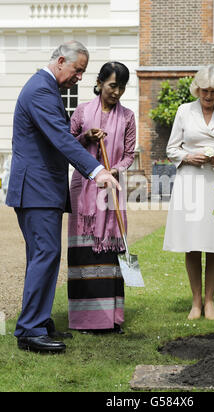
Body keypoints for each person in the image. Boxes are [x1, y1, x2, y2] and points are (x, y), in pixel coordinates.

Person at [6, 42, 121, 354]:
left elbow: (58, 137)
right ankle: (29, 331)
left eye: (83, 72)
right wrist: (96, 171)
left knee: (44, 255)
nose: (80, 77)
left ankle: (39, 322)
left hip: (41, 189)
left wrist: (83, 141)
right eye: (77, 70)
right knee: (45, 255)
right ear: (60, 61)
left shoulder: (44, 88)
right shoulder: (40, 90)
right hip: (36, 189)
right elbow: (59, 138)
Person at [163, 65, 214, 321]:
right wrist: (189, 156)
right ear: (196, 89)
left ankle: (210, 301)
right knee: (192, 243)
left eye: (213, 91)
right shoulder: (184, 111)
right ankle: (195, 302)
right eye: (204, 90)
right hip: (191, 182)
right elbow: (171, 148)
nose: (208, 96)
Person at [67, 62, 136, 334]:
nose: (117, 92)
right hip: (82, 191)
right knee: (84, 252)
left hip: (111, 190)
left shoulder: (128, 117)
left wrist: (114, 170)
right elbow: (67, 143)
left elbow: (129, 154)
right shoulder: (83, 111)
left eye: (121, 87)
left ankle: (111, 319)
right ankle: (85, 321)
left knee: (110, 251)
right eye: (112, 86)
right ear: (99, 82)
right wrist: (86, 136)